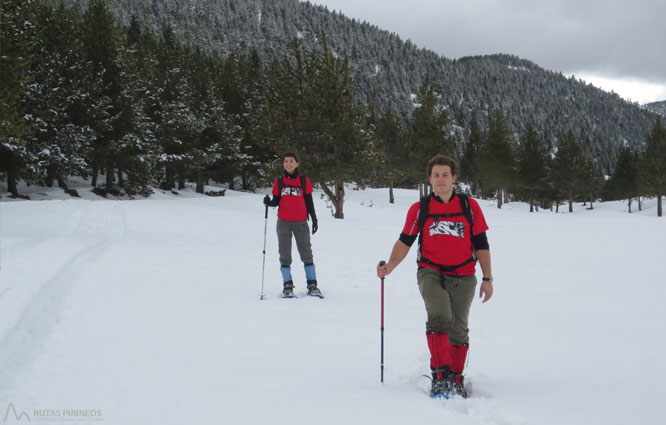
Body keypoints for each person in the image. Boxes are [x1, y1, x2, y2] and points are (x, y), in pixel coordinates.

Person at [376, 154, 493, 398]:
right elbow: (405, 240)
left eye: (445, 175)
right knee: (440, 315)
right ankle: (440, 374)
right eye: (436, 175)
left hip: (464, 274)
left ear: (454, 178)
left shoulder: (469, 207)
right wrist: (390, 266)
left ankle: (456, 376)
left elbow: (481, 242)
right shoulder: (421, 209)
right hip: (430, 271)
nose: (441, 180)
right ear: (430, 179)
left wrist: (487, 278)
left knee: (459, 328)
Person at [264, 152, 322, 298]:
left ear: (297, 164)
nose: (288, 164)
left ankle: (312, 285)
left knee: (306, 253)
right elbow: (276, 201)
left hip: (301, 223)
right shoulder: (279, 182)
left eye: (291, 161)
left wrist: (314, 219)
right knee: (284, 255)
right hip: (283, 223)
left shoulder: (303, 181)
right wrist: (268, 202)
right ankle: (287, 285)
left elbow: (309, 201)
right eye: (286, 161)